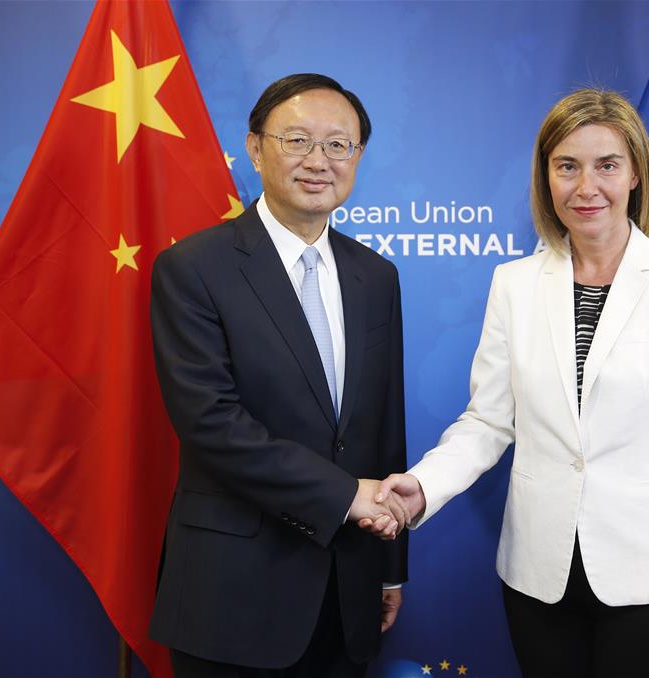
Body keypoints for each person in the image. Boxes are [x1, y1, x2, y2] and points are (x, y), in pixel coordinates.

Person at [365, 89, 649, 677]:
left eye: (606, 165)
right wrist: (421, 487)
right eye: (567, 166)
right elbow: (488, 420)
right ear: (546, 176)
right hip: (539, 576)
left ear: (635, 173)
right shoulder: (514, 284)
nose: (586, 187)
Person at [148, 73, 409, 678]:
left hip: (348, 592)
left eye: (338, 145)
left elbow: (381, 429)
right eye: (297, 140)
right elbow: (211, 424)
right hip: (233, 596)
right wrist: (347, 496)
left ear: (358, 158)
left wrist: (390, 563)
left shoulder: (376, 277)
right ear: (256, 148)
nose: (319, 161)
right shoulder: (192, 268)